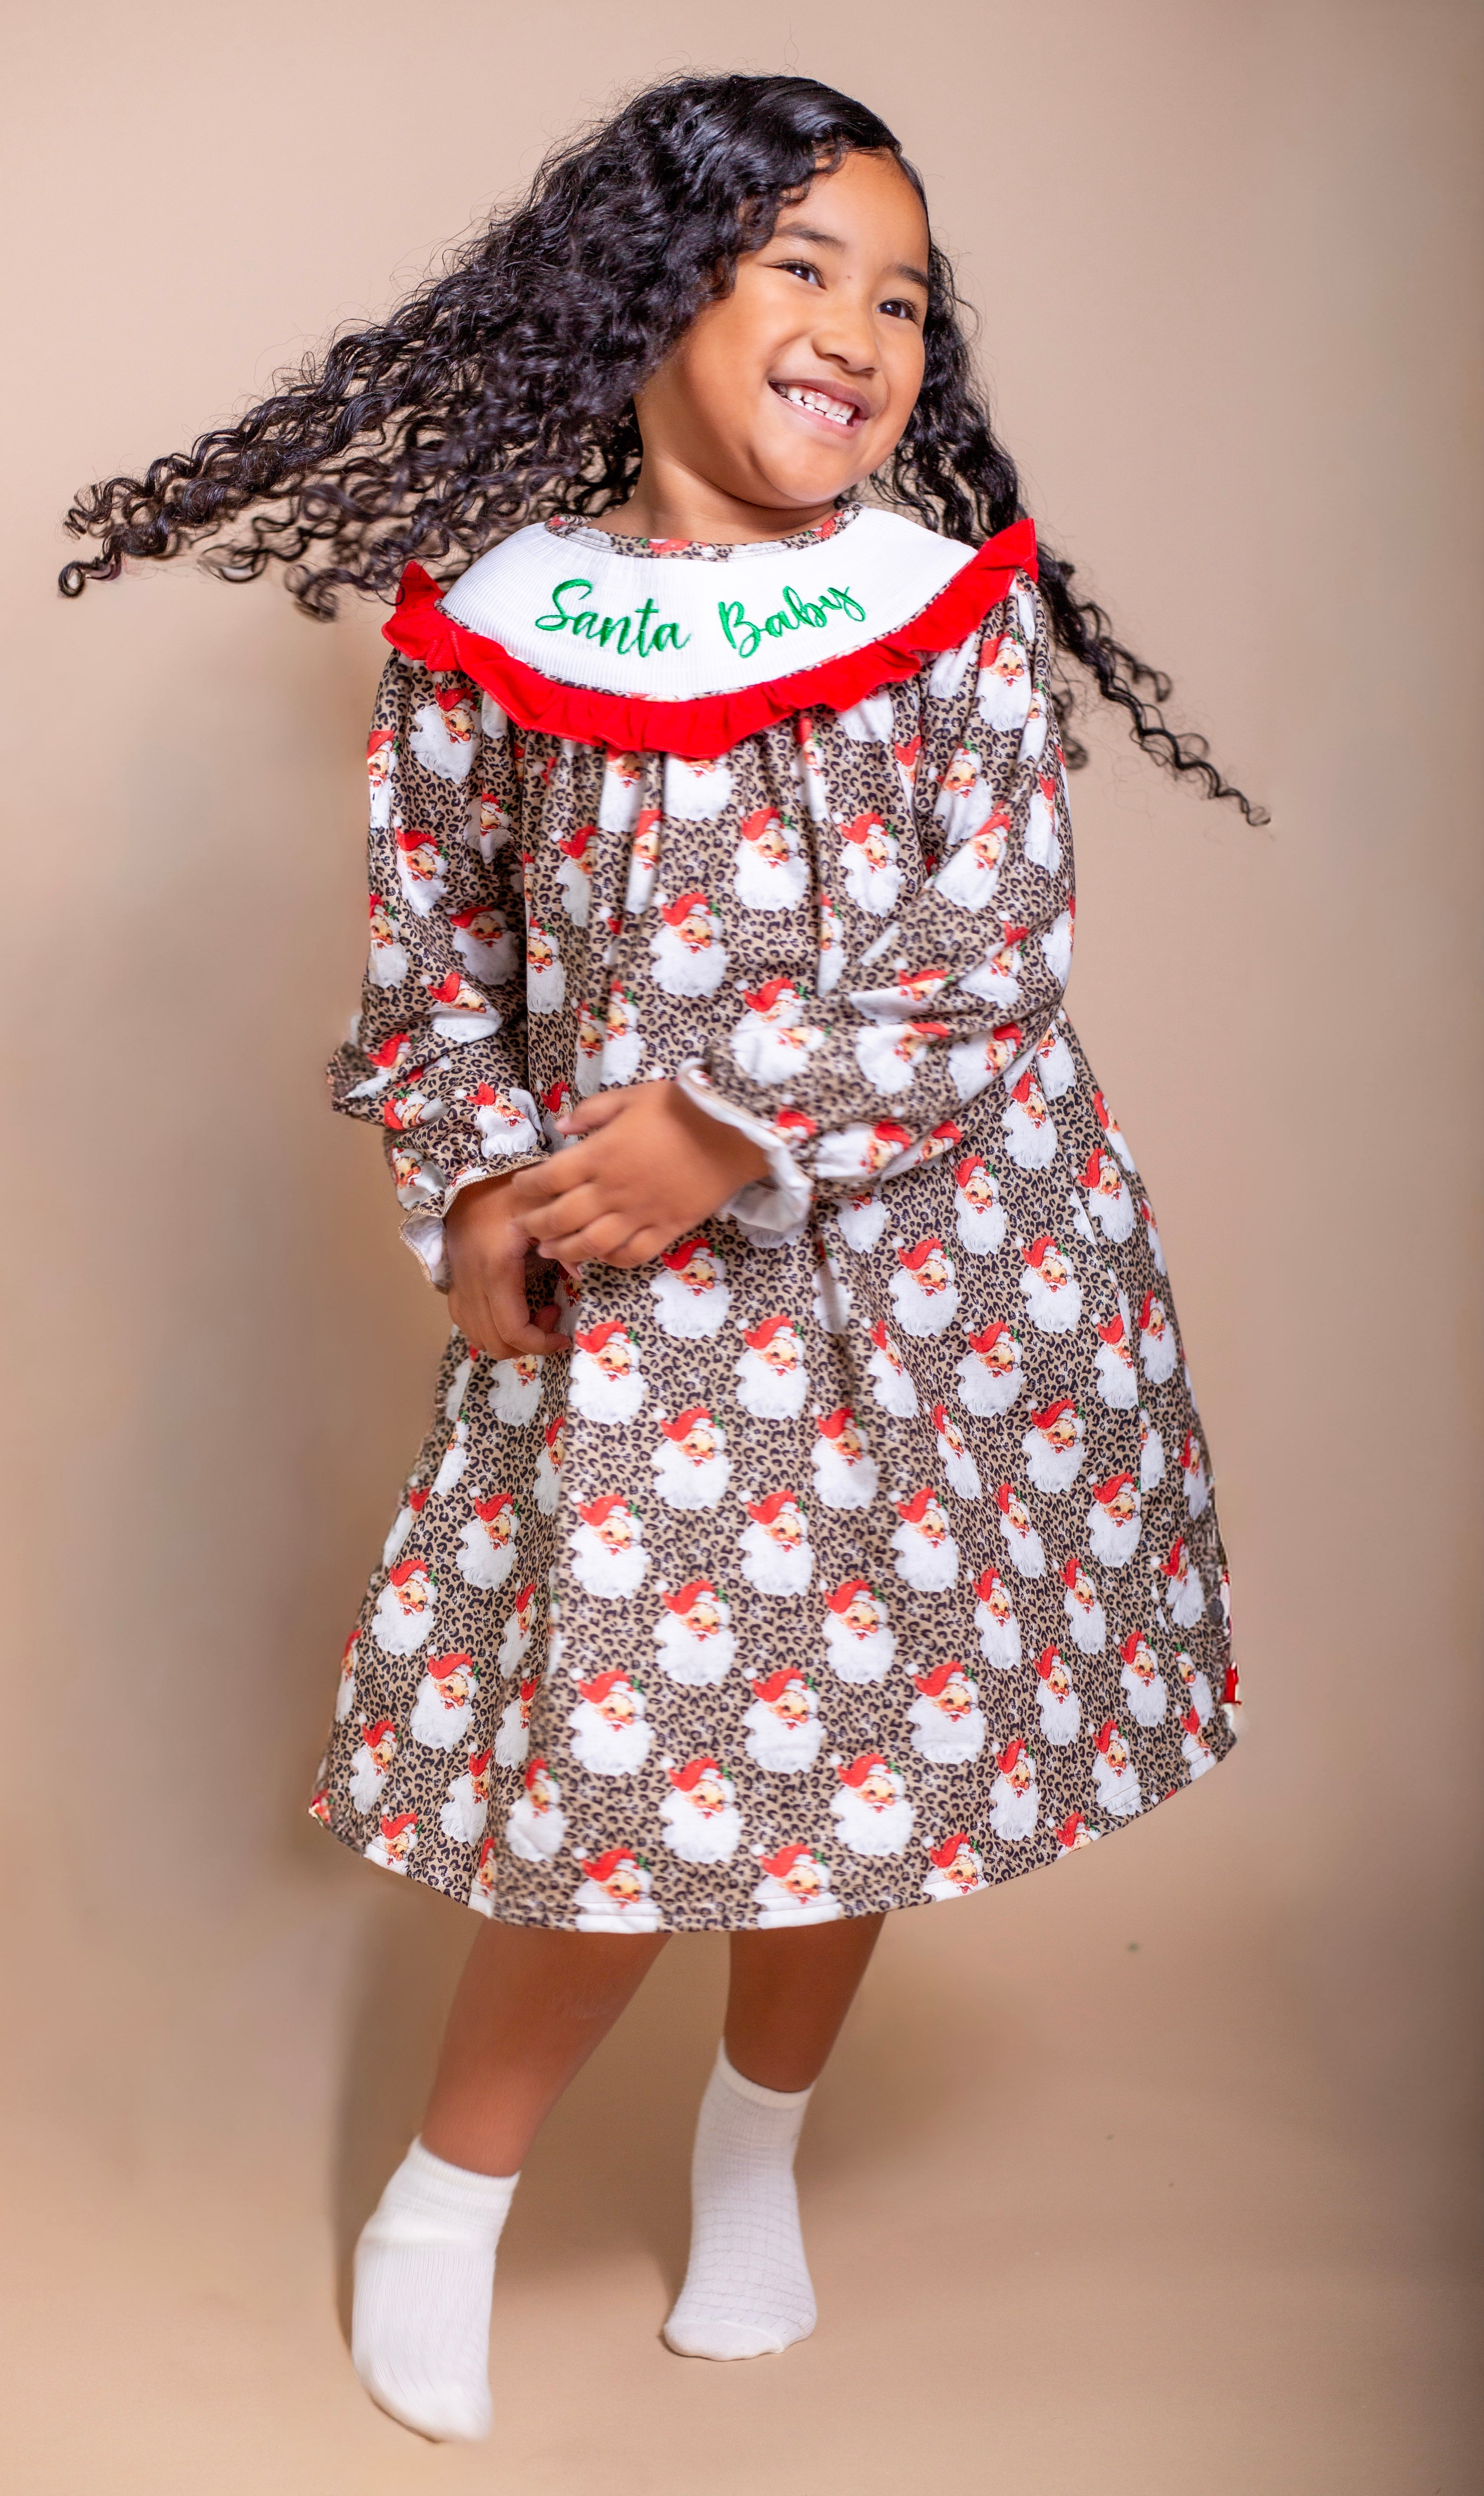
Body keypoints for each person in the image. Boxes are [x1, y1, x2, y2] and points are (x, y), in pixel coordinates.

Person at [61, 71, 1250, 2445]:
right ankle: (445, 2206)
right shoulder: (494, 640)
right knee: (628, 1764)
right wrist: (472, 1194)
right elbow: (435, 976)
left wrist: (733, 1122)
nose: (860, 331)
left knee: (858, 1739)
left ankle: (754, 2153)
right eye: (802, 267)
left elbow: (989, 950)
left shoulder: (943, 617)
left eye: (903, 298)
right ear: (650, 295)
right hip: (647, 1313)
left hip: (934, 1274)